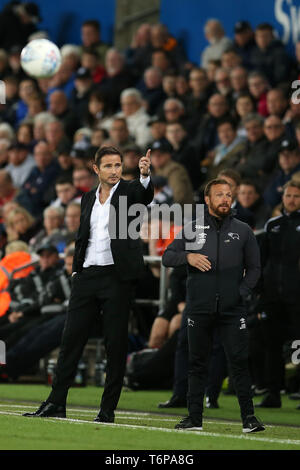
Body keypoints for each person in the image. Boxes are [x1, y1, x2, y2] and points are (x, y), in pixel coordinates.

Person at [23, 145, 153, 421]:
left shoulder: (130, 191)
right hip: (87, 276)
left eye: (118, 165)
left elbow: (144, 196)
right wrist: (76, 270)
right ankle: (56, 402)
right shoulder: (86, 199)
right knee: (70, 341)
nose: (114, 170)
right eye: (108, 166)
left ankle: (107, 410)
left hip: (117, 278)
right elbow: (84, 236)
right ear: (96, 169)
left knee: (114, 344)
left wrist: (144, 175)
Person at [162, 178, 265, 433]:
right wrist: (189, 256)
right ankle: (194, 419)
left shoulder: (243, 230)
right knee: (197, 362)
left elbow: (255, 269)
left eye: (228, 195)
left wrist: (239, 292)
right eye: (219, 195)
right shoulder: (192, 228)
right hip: (199, 308)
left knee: (239, 362)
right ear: (207, 199)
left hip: (232, 310)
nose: (225, 199)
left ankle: (249, 419)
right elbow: (167, 256)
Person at [256, 180, 300, 408]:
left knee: (298, 345)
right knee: (271, 347)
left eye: (296, 196)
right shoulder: (272, 226)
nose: (291, 200)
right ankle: (273, 393)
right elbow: (262, 263)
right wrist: (261, 294)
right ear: (282, 198)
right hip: (273, 298)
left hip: (297, 298)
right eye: (288, 196)